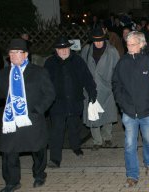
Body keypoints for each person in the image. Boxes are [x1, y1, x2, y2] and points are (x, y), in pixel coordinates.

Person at [0, 38, 55, 191]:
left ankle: (39, 174)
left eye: (18, 52)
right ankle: (12, 181)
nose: (14, 55)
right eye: (11, 52)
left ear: (26, 55)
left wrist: (38, 110)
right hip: (11, 120)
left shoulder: (38, 72)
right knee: (9, 151)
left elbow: (50, 94)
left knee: (38, 149)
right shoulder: (3, 74)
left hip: (32, 118)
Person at [112, 31, 149, 187]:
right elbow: (116, 84)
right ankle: (132, 175)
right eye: (128, 44)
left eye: (132, 44)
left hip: (147, 110)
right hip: (129, 111)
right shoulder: (122, 63)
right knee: (130, 144)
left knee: (148, 140)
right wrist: (121, 103)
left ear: (141, 44)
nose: (129, 47)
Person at [44, 36, 97, 168]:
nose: (64, 51)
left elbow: (87, 78)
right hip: (57, 104)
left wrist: (92, 93)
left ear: (69, 48)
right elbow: (44, 83)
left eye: (66, 48)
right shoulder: (50, 63)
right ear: (56, 50)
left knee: (74, 127)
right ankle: (55, 159)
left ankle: (76, 146)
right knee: (57, 130)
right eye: (61, 49)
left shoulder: (77, 60)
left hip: (75, 101)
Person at [81, 28, 120, 151]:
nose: (98, 43)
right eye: (95, 41)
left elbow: (117, 69)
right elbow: (82, 67)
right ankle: (97, 140)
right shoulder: (87, 50)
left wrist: (115, 86)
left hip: (107, 88)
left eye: (100, 41)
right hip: (90, 88)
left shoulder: (112, 51)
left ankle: (107, 137)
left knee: (107, 113)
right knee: (93, 114)